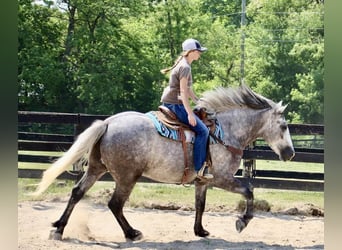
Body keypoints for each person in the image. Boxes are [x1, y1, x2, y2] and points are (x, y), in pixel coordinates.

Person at [160, 38, 213, 180]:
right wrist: (190, 113)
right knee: (203, 131)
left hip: (171, 102)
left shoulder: (184, 64)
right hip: (176, 105)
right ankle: (199, 168)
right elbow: (183, 93)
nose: (200, 54)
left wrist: (197, 100)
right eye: (199, 51)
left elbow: (188, 89)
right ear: (192, 52)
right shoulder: (185, 67)